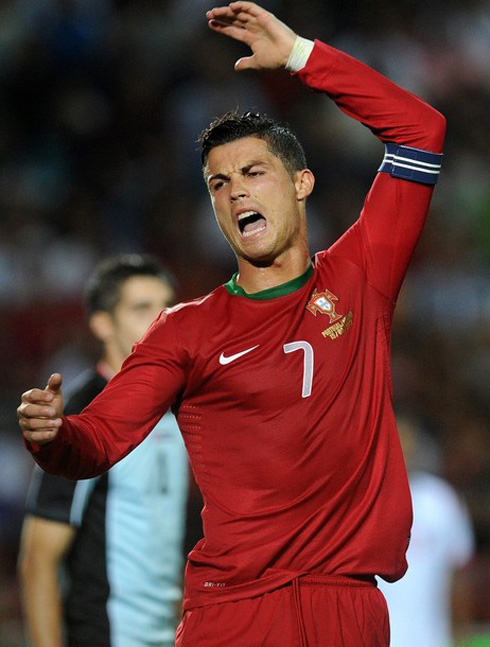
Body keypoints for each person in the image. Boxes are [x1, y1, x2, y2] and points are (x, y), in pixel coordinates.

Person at [17, 3, 446, 645]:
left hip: (349, 609)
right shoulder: (186, 331)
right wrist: (51, 437)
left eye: (253, 173)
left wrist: (302, 55)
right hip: (236, 614)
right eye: (219, 184)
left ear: (301, 182)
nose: (237, 192)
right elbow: (97, 441)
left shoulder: (360, 276)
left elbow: (419, 129)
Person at [17, 254, 189, 647]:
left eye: (167, 307)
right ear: (102, 323)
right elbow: (38, 560)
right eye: (141, 308)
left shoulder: (185, 405)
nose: (160, 319)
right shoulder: (80, 417)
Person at [378, 414, 475, 647]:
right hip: (376, 638)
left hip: (431, 640)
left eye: (406, 441)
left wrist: (460, 634)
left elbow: (459, 576)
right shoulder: (364, 500)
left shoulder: (440, 499)